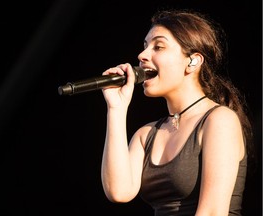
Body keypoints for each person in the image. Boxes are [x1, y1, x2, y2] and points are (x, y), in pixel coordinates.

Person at [100, 8, 254, 216]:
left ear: (193, 61)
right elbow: (118, 192)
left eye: (159, 47)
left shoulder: (219, 120)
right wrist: (116, 108)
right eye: (145, 47)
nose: (142, 55)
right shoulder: (146, 135)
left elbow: (212, 212)